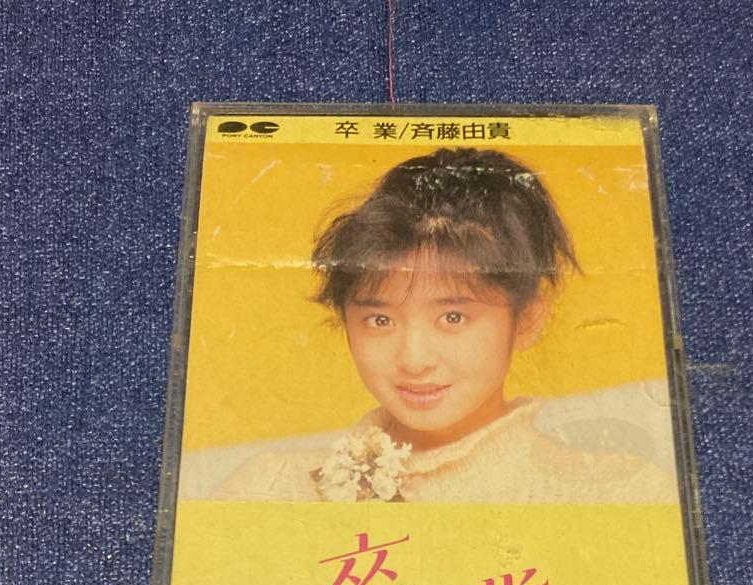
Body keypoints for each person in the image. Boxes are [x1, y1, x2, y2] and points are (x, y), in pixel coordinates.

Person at [209, 147, 676, 504]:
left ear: (527, 319)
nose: (414, 360)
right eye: (379, 319)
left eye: (453, 317)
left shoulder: (621, 495)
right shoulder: (270, 489)